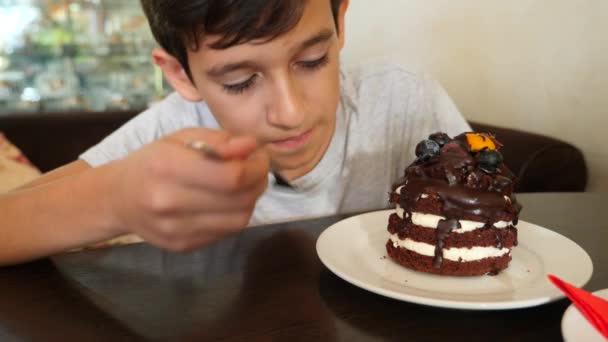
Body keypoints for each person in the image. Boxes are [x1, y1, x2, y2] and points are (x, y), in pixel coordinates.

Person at [0, 0, 470, 265]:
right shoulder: (174, 132)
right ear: (181, 75)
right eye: (239, 82)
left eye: (312, 61)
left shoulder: (406, 104)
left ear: (340, 19)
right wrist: (117, 198)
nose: (289, 113)